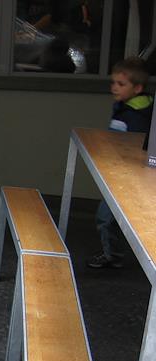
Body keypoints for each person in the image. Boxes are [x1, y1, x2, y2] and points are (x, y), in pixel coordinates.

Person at [88, 57, 153, 269]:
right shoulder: (126, 107)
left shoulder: (138, 115)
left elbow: (134, 149)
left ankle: (113, 255)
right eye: (113, 82)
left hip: (130, 175)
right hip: (120, 171)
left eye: (121, 84)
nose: (114, 87)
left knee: (106, 217)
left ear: (137, 88)